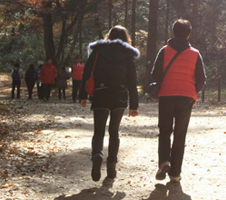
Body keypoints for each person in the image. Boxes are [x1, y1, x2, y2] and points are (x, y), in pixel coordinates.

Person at [81, 26, 140, 181]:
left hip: (101, 93)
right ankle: (112, 164)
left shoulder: (98, 51)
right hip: (119, 95)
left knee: (98, 131)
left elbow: (86, 72)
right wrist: (134, 105)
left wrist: (83, 95)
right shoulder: (127, 55)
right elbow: (132, 81)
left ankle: (97, 155)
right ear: (126, 38)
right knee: (114, 132)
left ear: (109, 36)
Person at [150, 19, 205, 184]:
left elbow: (155, 75)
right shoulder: (195, 54)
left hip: (167, 95)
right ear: (189, 34)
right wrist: (193, 92)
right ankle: (175, 173)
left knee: (165, 131)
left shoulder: (164, 51)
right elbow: (202, 79)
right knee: (180, 135)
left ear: (173, 33)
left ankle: (163, 161)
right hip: (186, 97)